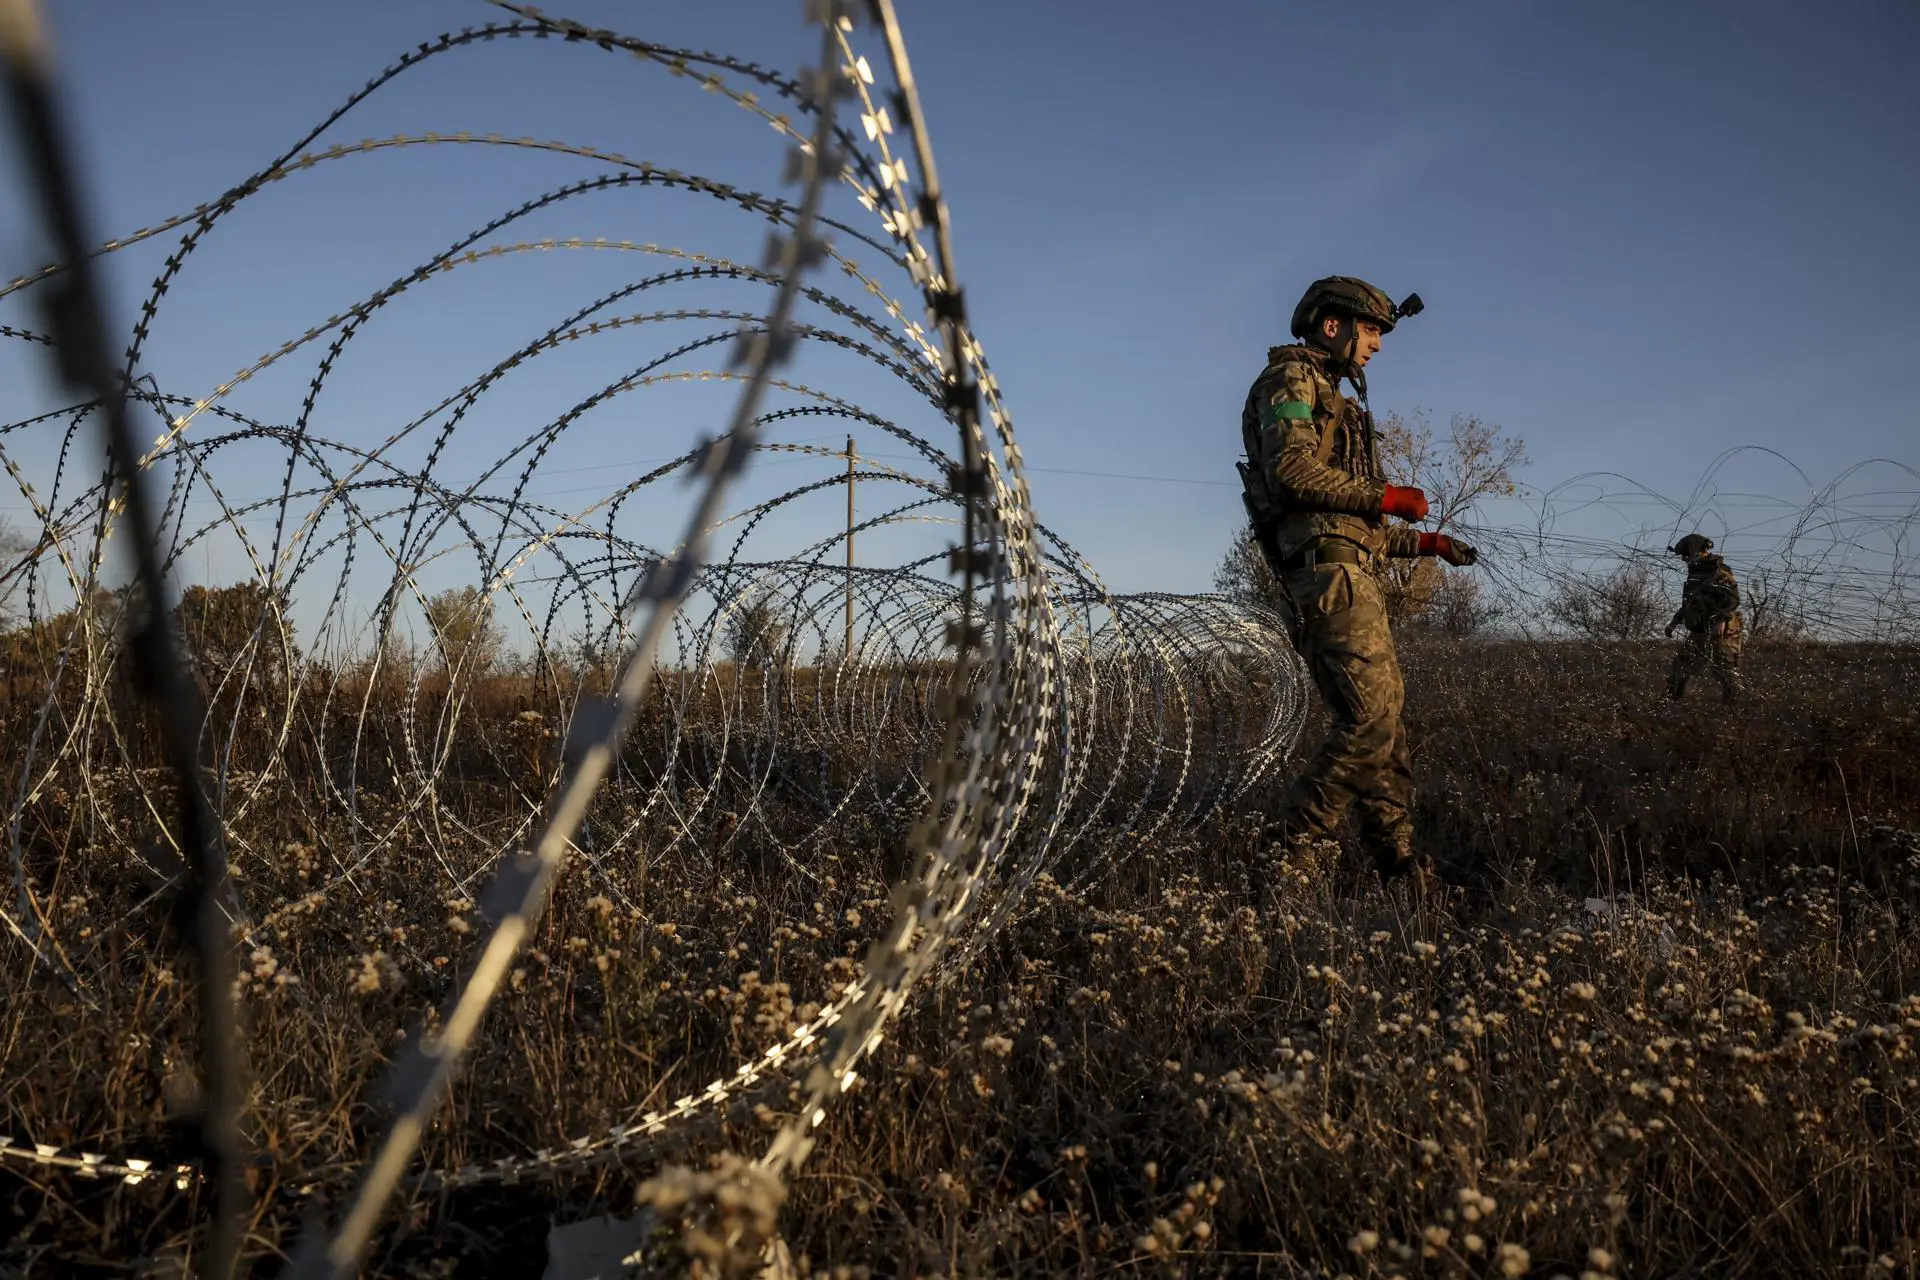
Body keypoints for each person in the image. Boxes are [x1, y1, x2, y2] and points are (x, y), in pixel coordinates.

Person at [1236, 276, 1478, 887]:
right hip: (1327, 576)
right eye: (1370, 330)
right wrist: (1389, 497)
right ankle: (1284, 851)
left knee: (1387, 721)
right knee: (1368, 718)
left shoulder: (1334, 399)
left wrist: (1426, 543)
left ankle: (1395, 861)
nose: (1376, 345)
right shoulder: (1288, 382)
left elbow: (1354, 519)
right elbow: (1291, 472)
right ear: (1332, 326)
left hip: (1352, 568)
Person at [1664, 533, 1742, 703]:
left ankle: (1736, 710)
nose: (1684, 559)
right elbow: (1691, 602)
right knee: (1680, 665)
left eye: (1686, 555)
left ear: (1698, 551)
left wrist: (1721, 621)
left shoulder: (1718, 570)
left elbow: (1732, 599)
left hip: (1723, 627)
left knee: (1724, 669)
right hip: (1701, 627)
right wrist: (1674, 622)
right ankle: (1670, 705)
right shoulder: (1696, 572)